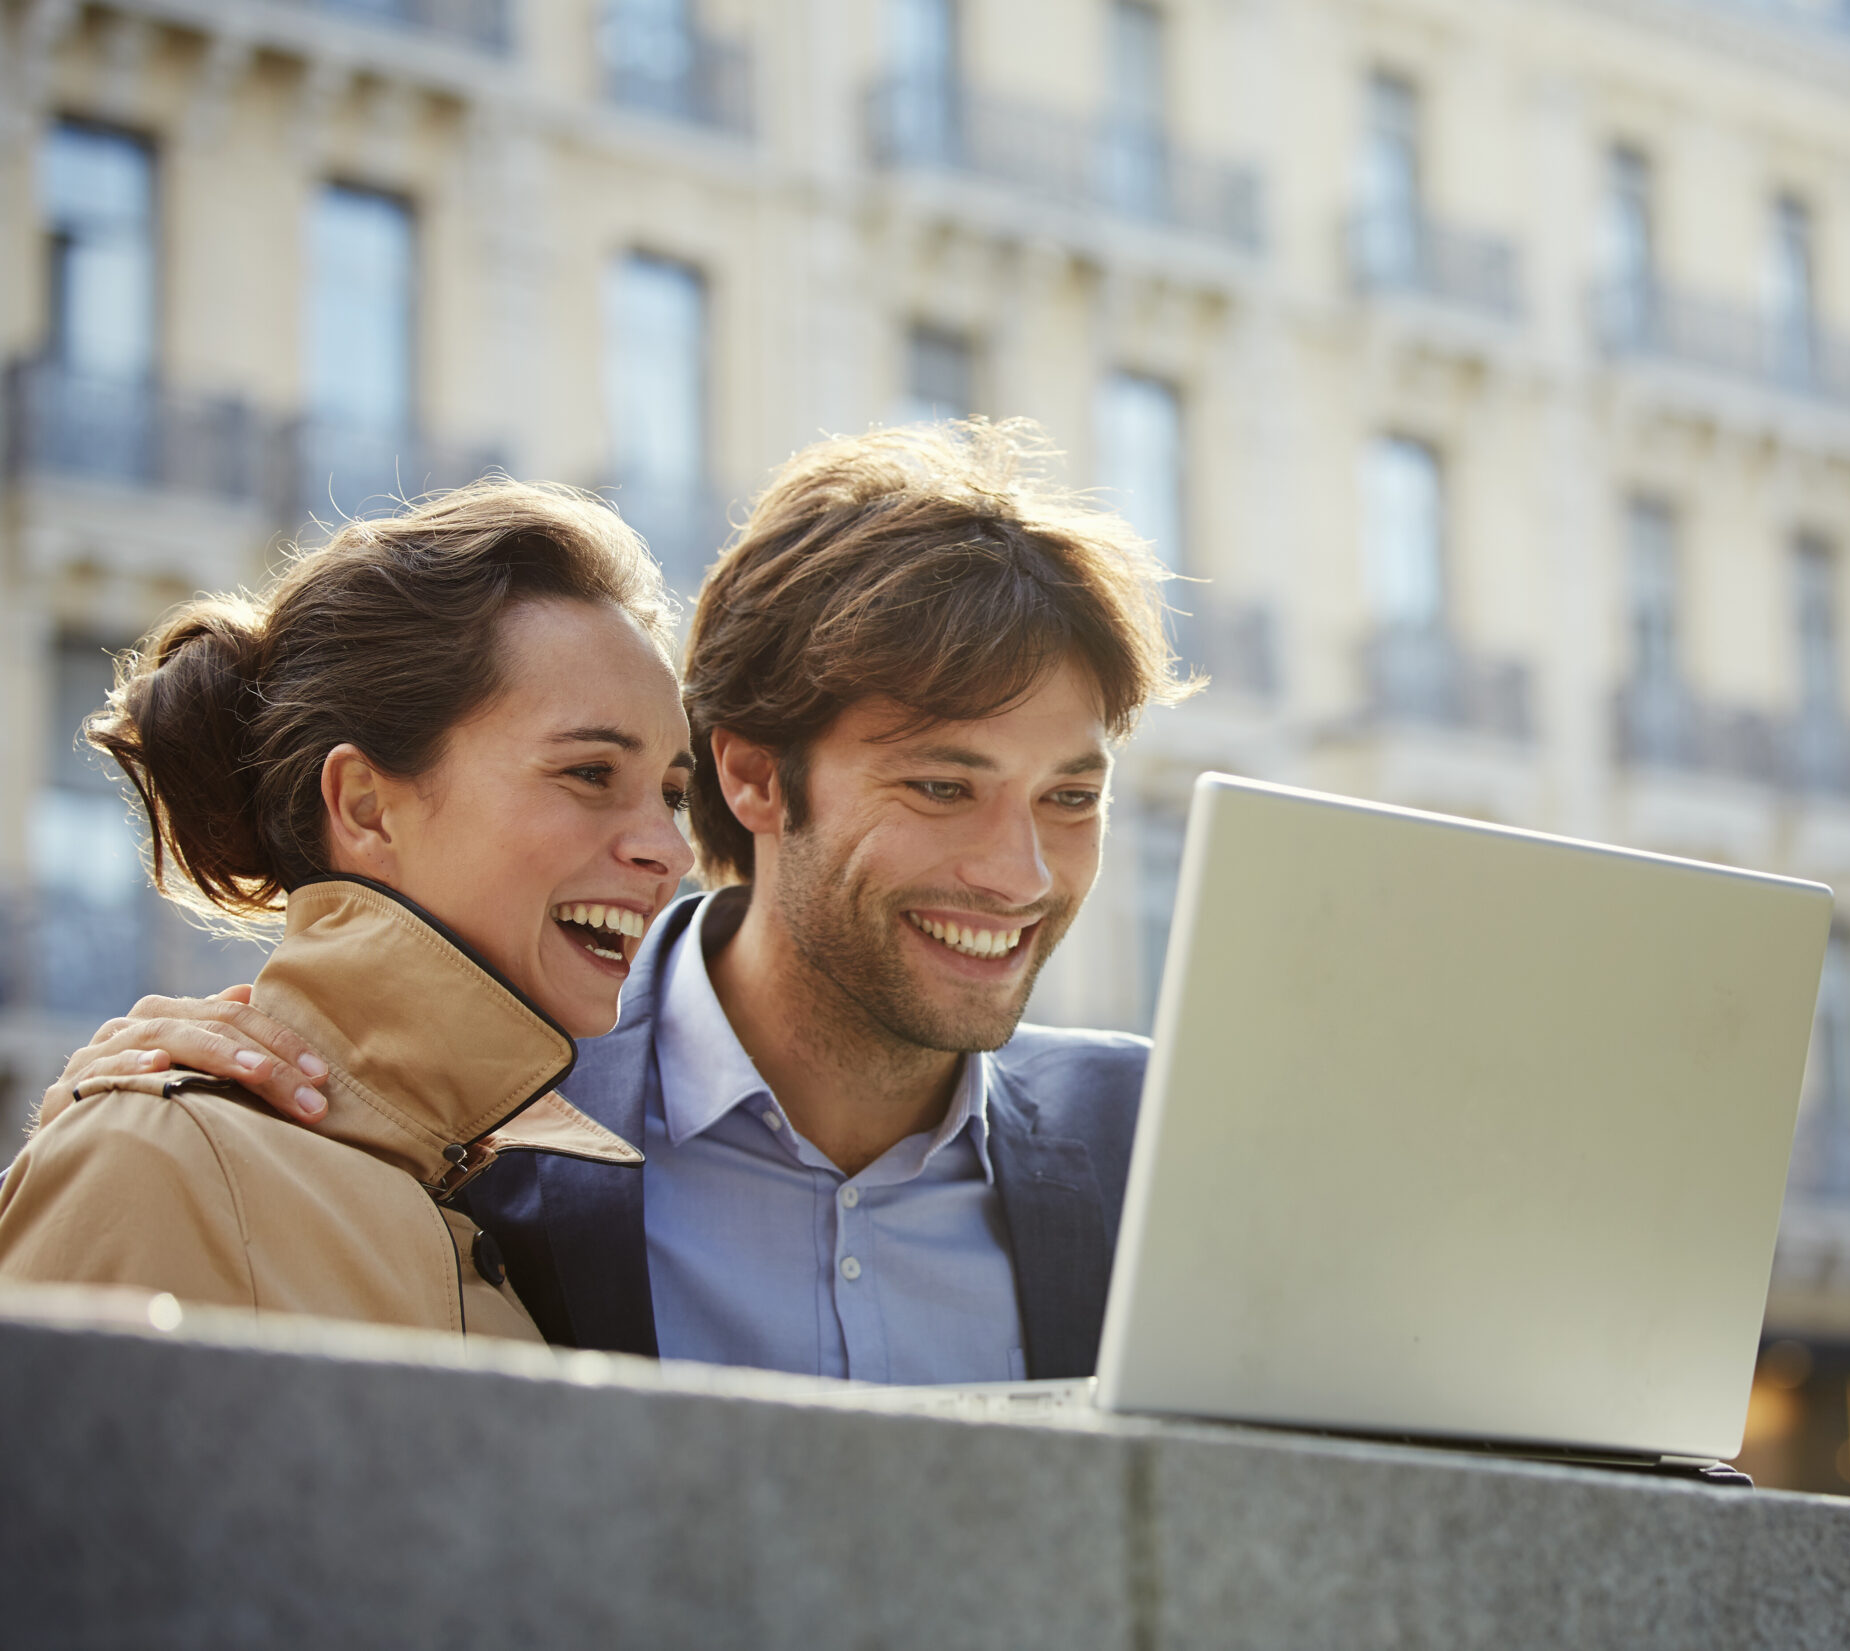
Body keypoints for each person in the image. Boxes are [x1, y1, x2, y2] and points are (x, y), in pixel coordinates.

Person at [55, 421, 1191, 1381]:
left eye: (1070, 798)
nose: (1021, 874)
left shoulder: (1160, 1139)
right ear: (753, 778)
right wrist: (134, 1135)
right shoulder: (491, 1147)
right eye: (942, 786)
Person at [0, 486, 697, 1338]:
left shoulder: (514, 1204)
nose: (670, 849)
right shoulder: (155, 1158)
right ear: (366, 807)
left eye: (673, 795)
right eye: (591, 773)